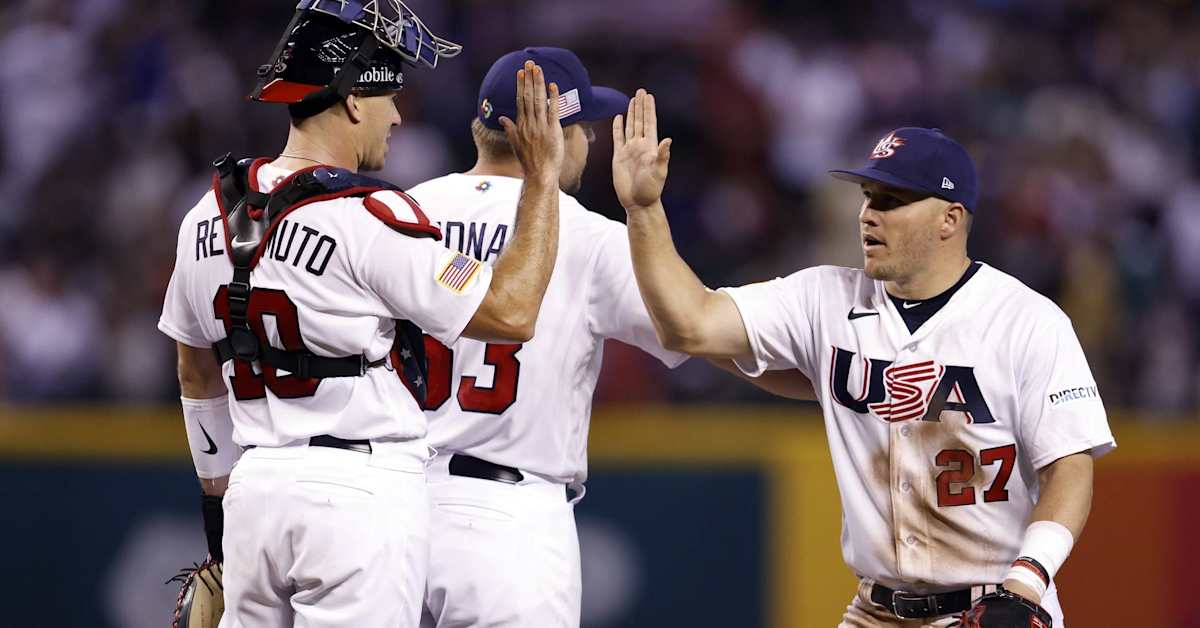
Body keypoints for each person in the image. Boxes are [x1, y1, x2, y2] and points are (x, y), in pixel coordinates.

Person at [611, 93, 1115, 628]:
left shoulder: (1026, 320)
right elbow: (692, 324)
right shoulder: (825, 298)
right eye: (867, 196)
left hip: (994, 604)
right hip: (875, 610)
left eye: (891, 201)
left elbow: (1069, 468)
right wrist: (644, 210)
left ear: (949, 219)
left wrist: (1027, 582)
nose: (867, 214)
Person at [156, 0, 567, 625]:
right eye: (389, 96)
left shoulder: (202, 218)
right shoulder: (374, 220)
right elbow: (511, 313)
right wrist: (541, 181)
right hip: (357, 498)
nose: (397, 115)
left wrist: (217, 510)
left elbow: (195, 373)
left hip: (253, 493)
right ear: (352, 99)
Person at [404, 48, 686, 628]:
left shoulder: (403, 213)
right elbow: (694, 330)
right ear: (555, 134)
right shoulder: (585, 233)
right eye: (582, 126)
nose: (587, 139)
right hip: (511, 522)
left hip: (394, 512)